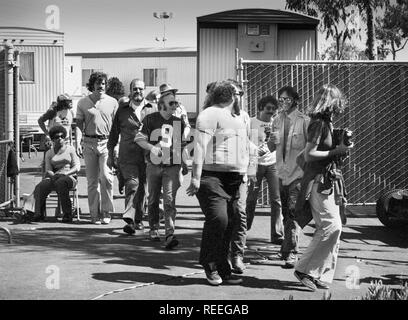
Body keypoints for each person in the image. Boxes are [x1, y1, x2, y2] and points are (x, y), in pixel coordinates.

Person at [186, 80, 256, 286]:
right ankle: (209, 263)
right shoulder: (209, 114)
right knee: (219, 219)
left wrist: (247, 170)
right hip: (212, 177)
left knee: (232, 221)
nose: (239, 96)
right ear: (230, 96)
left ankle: (223, 266)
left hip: (234, 178)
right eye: (237, 93)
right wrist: (196, 178)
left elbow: (242, 144)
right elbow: (200, 146)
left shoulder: (239, 117)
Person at [293, 84, 353, 291]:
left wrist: (338, 150)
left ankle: (319, 272)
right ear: (332, 102)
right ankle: (304, 269)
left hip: (326, 180)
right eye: (338, 101)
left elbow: (302, 158)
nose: (340, 105)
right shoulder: (319, 123)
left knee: (333, 227)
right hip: (321, 182)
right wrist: (336, 151)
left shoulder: (325, 123)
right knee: (330, 226)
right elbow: (309, 155)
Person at [135, 86, 186, 249]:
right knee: (153, 198)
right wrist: (152, 148)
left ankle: (170, 234)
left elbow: (180, 146)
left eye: (176, 102)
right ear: (162, 104)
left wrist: (183, 165)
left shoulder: (179, 122)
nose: (175, 105)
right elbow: (139, 139)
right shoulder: (150, 120)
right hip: (153, 165)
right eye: (172, 102)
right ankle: (153, 228)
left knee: (169, 200)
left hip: (171, 166)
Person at [108, 79, 157, 234]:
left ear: (144, 90)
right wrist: (110, 155)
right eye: (135, 89)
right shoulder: (122, 111)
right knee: (133, 184)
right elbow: (114, 134)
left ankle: (138, 220)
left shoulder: (153, 109)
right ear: (130, 91)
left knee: (143, 188)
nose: (138, 91)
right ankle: (129, 218)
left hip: (147, 156)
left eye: (140, 89)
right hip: (127, 155)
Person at [270, 86, 309, 268]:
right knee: (286, 213)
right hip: (281, 173)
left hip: (297, 175)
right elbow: (272, 146)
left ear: (295, 100)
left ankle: (292, 252)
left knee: (293, 212)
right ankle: (285, 249)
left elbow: (310, 150)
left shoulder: (304, 121)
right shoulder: (276, 120)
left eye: (287, 99)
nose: (283, 103)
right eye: (281, 99)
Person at [75, 71, 118, 225]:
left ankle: (106, 212)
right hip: (88, 143)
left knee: (106, 178)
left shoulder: (113, 102)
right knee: (92, 181)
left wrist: (116, 145)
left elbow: (116, 126)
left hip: (107, 143)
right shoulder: (82, 103)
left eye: (104, 84)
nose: (101, 86)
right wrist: (77, 142)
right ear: (92, 84)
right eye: (98, 83)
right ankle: (94, 214)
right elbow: (79, 125)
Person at [246, 95, 284, 244]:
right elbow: (246, 142)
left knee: (277, 199)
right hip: (254, 163)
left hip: (272, 163)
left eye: (274, 109)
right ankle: (244, 229)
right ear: (261, 108)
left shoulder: (276, 123)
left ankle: (277, 234)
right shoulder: (251, 122)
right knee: (251, 198)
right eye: (268, 108)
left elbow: (279, 143)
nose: (271, 112)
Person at [32, 125, 81, 223]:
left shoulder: (70, 149)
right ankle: (39, 213)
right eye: (57, 137)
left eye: (62, 136)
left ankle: (67, 214)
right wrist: (53, 176)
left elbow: (77, 167)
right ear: (52, 139)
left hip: (69, 177)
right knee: (40, 186)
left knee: (61, 183)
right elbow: (48, 170)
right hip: (54, 177)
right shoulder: (49, 153)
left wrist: (66, 173)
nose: (60, 139)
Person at [38, 94, 75, 174]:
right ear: (62, 102)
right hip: (53, 142)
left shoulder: (71, 112)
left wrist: (71, 142)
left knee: (66, 164)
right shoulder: (53, 111)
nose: (71, 103)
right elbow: (40, 121)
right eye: (69, 101)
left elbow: (69, 127)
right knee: (49, 166)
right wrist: (47, 133)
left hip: (66, 142)